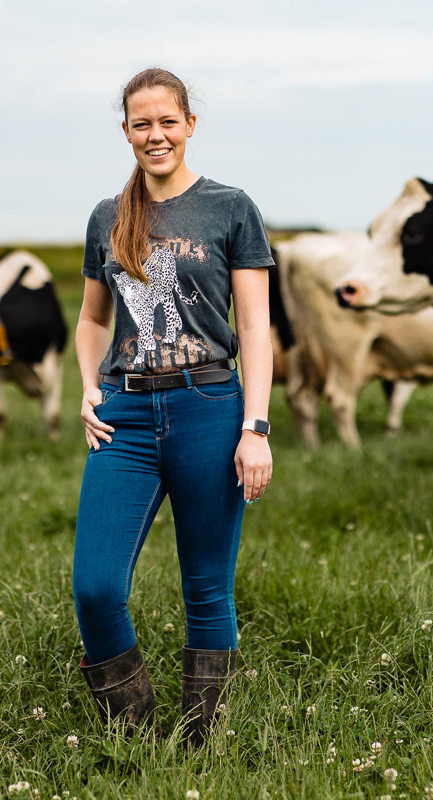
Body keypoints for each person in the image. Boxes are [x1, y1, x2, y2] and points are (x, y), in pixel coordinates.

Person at [72, 67, 274, 744]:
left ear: (190, 125)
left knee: (207, 589)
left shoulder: (231, 207)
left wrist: (255, 427)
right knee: (96, 587)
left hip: (209, 408)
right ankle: (133, 739)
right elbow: (93, 319)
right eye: (141, 124)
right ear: (126, 131)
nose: (155, 135)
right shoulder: (107, 216)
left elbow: (254, 328)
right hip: (124, 417)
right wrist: (89, 385)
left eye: (167, 121)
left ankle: (197, 746)